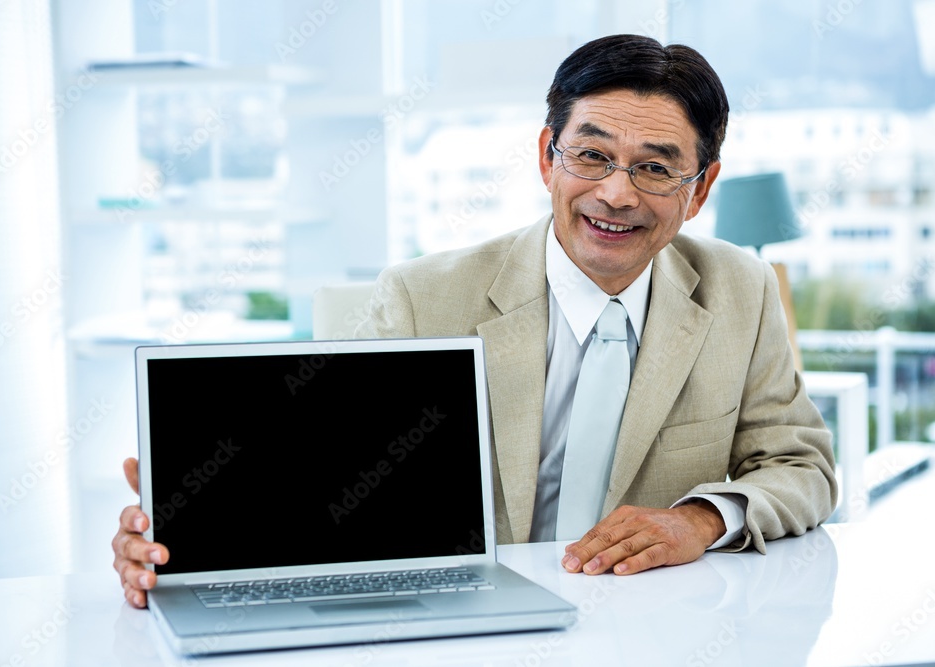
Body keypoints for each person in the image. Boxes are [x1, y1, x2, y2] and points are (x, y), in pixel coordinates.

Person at [112, 34, 837, 609]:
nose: (616, 193)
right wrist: (186, 538)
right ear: (548, 157)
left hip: (654, 626)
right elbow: (323, 483)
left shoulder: (739, 288)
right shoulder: (426, 296)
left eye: (654, 168)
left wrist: (699, 520)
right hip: (467, 626)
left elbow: (801, 465)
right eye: (591, 155)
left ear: (701, 188)